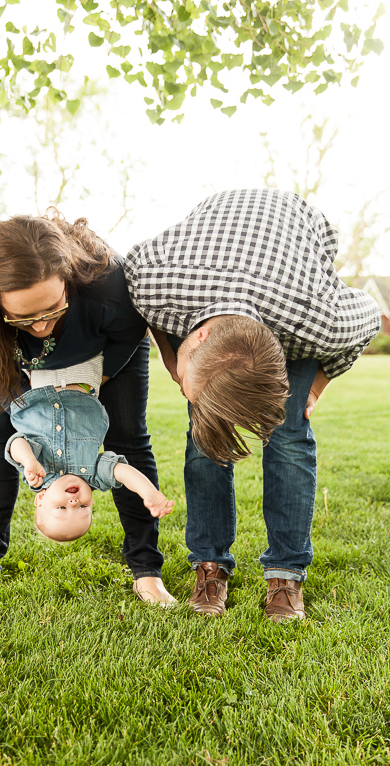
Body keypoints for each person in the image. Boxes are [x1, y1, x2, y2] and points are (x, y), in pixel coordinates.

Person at [124, 188, 381, 623]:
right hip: (216, 257)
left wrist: (316, 387)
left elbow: (369, 318)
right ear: (199, 336)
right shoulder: (154, 279)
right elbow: (135, 287)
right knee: (205, 433)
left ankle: (286, 573)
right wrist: (173, 361)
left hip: (292, 270)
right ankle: (210, 564)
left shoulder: (317, 320)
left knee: (288, 435)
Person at [0, 211, 175, 606]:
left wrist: (97, 383)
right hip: (18, 367)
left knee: (128, 437)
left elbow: (129, 334)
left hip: (104, 357)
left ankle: (147, 571)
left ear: (67, 279)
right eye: (25, 317)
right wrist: (24, 406)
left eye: (52, 309)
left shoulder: (108, 283)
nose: (41, 327)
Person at [4, 355, 174, 541]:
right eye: (83, 507)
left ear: (40, 499)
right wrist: (148, 493)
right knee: (79, 338)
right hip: (82, 379)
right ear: (92, 502)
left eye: (62, 508)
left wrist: (28, 459)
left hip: (33, 391)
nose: (74, 502)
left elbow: (16, 443)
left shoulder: (37, 475)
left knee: (15, 354)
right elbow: (124, 472)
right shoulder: (95, 475)